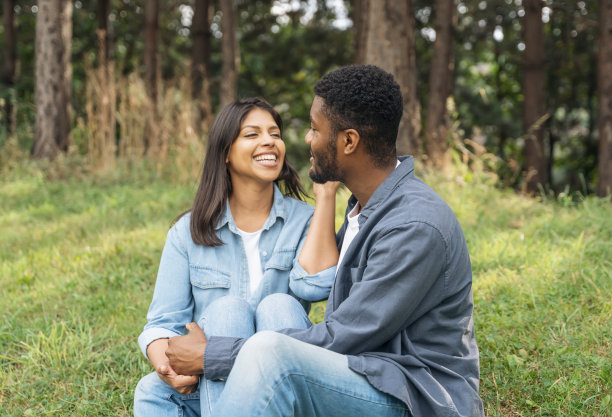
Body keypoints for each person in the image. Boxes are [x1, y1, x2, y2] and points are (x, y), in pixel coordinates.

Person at [166, 65, 485, 417]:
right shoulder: (365, 210)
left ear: (348, 141)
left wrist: (213, 355)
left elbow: (344, 336)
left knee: (271, 351)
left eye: (315, 129)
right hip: (369, 373)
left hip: (413, 394)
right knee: (156, 390)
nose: (306, 139)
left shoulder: (413, 225)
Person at [133, 97, 340, 417]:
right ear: (226, 152)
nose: (269, 141)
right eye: (252, 134)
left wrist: (326, 196)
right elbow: (162, 324)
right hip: (216, 383)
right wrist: (168, 367)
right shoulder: (187, 233)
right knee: (154, 388)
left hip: (284, 382)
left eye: (274, 133)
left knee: (279, 305)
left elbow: (314, 286)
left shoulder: (305, 221)